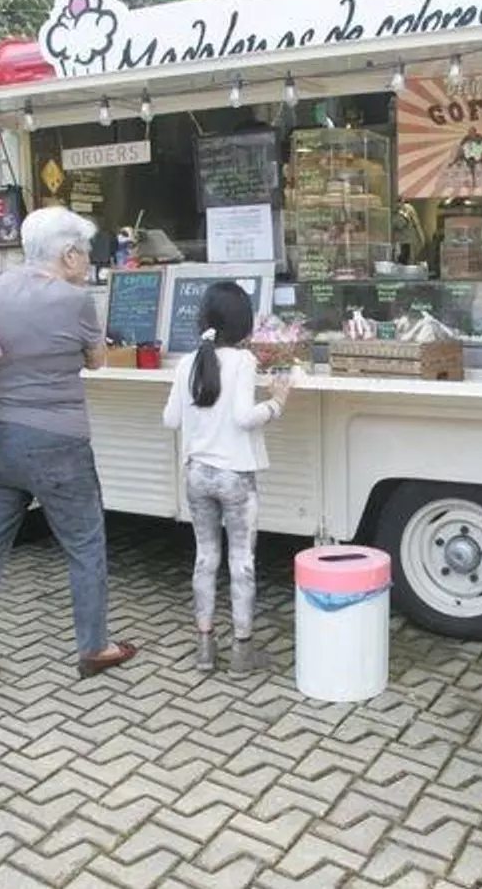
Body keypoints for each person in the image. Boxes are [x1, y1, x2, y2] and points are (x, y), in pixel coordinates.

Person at [0, 206, 137, 686]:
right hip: (56, 443)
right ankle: (94, 648)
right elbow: (97, 361)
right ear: (67, 255)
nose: (87, 260)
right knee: (84, 543)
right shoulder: (75, 300)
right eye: (84, 252)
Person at [162, 282, 290, 674]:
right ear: (243, 323)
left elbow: (170, 419)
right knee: (241, 562)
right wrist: (277, 402)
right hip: (235, 477)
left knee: (205, 558)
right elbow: (243, 417)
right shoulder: (243, 362)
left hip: (197, 475)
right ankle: (242, 650)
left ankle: (204, 647)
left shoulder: (187, 362)